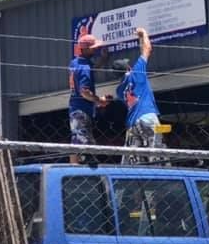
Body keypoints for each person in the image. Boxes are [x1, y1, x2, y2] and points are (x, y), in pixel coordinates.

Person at [115, 27, 162, 157]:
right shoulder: (137, 73)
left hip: (132, 124)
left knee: (135, 161)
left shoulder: (119, 90)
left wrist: (140, 38)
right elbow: (147, 49)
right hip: (148, 117)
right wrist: (143, 34)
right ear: (128, 68)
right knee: (158, 157)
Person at [68, 34, 109, 164]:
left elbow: (92, 68)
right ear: (85, 49)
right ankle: (77, 167)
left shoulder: (75, 62)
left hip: (75, 109)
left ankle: (74, 167)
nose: (96, 49)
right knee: (84, 144)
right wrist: (99, 100)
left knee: (77, 140)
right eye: (93, 47)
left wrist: (103, 59)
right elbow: (84, 92)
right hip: (82, 111)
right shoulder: (84, 67)